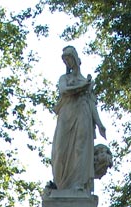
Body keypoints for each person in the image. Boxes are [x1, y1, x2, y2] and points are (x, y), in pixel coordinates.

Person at [51, 46, 107, 192]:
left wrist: (100, 124)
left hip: (83, 114)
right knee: (59, 151)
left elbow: (91, 103)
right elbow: (64, 90)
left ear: (76, 59)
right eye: (65, 60)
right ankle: (60, 185)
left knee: (80, 149)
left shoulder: (85, 82)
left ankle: (79, 184)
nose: (68, 62)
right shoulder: (65, 78)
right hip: (66, 115)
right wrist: (83, 87)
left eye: (70, 58)